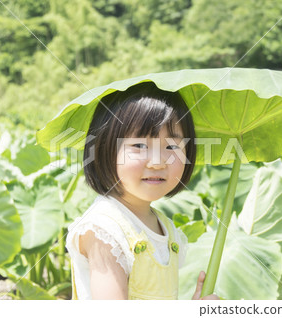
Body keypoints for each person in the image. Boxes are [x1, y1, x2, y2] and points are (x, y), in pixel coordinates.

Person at [65, 82, 219, 300]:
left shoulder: (165, 227)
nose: (157, 162)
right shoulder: (105, 230)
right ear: (104, 150)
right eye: (139, 146)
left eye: (172, 147)